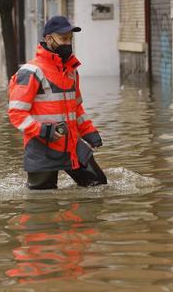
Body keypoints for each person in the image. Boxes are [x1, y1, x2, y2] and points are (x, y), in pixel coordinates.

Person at [8, 16, 107, 190]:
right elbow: (17, 113)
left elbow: (76, 108)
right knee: (42, 203)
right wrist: (42, 130)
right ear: (48, 39)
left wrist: (89, 131)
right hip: (41, 148)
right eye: (63, 39)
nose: (68, 43)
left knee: (98, 185)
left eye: (70, 39)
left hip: (72, 146)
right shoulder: (31, 71)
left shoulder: (71, 71)